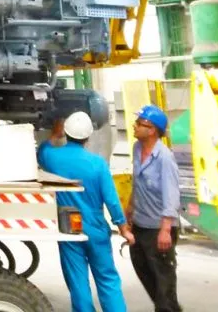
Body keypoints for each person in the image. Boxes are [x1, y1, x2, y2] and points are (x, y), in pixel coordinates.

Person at [38, 111, 134, 312]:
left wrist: (55, 135)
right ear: (88, 137)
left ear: (66, 132)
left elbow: (41, 151)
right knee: (107, 279)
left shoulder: (53, 157)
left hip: (69, 228)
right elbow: (112, 200)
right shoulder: (98, 164)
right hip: (96, 227)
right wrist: (123, 227)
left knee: (78, 282)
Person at [128, 104, 182, 312]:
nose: (134, 126)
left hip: (158, 228)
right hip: (140, 223)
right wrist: (130, 207)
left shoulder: (164, 158)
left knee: (164, 279)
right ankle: (167, 307)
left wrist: (166, 229)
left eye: (139, 124)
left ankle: (167, 308)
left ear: (151, 130)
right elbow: (138, 181)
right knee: (142, 269)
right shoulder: (137, 148)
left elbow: (171, 194)